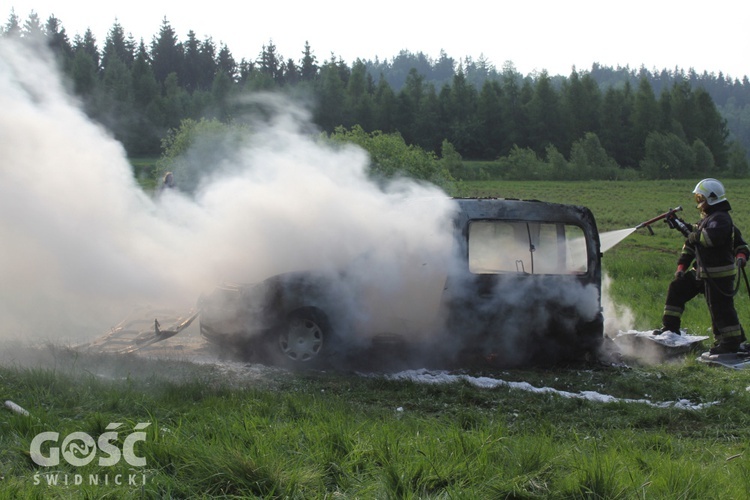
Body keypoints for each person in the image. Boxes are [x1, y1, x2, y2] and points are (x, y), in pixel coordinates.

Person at [654, 178, 749, 355]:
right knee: (677, 288)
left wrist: (688, 231)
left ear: (711, 199)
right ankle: (670, 329)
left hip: (718, 274)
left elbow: (708, 239)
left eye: (700, 198)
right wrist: (681, 267)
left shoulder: (721, 220)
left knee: (721, 308)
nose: (698, 203)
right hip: (702, 272)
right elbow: (691, 245)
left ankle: (731, 342)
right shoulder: (708, 219)